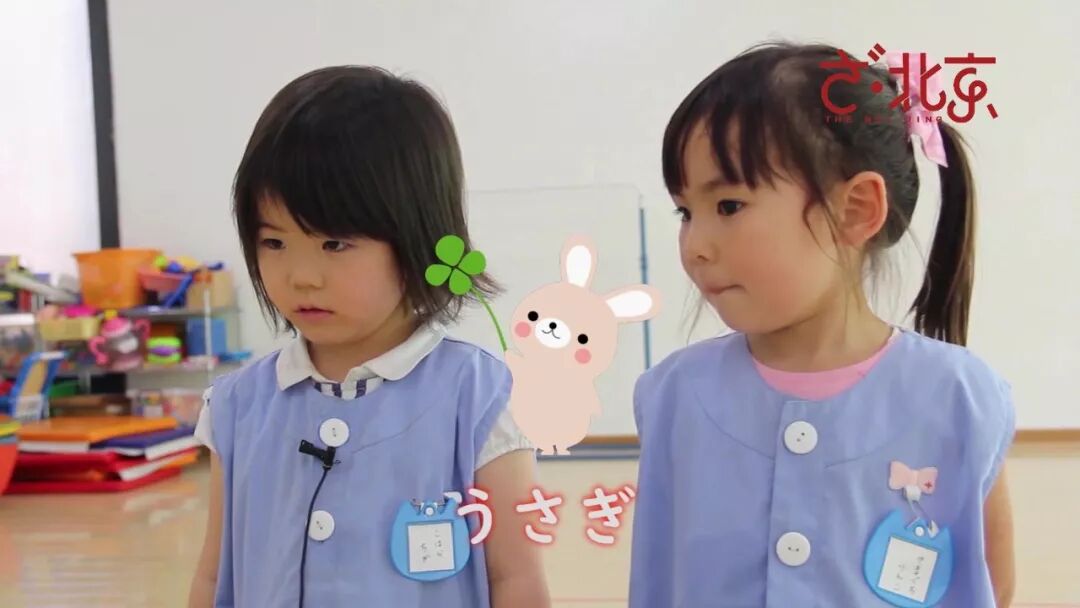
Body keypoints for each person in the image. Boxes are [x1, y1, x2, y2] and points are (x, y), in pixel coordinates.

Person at [629, 42, 1015, 607]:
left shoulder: (960, 396)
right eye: (685, 212)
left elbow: (989, 584)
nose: (695, 247)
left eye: (729, 206)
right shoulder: (674, 396)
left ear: (855, 210)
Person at [188, 66, 550, 608]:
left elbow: (516, 579)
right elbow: (213, 575)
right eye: (274, 242)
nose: (301, 276)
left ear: (416, 236)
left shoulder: (477, 398)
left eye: (334, 244)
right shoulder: (236, 407)